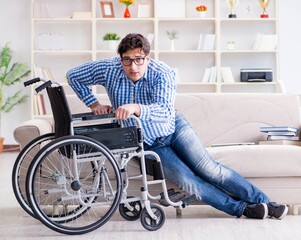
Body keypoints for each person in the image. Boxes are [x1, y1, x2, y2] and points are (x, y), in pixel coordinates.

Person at [66, 33, 288, 220]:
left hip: (173, 128)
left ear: (148, 58)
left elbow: (163, 111)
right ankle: (243, 209)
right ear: (120, 59)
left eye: (139, 59)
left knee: (210, 170)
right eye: (127, 60)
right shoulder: (109, 69)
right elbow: (73, 75)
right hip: (146, 141)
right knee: (188, 182)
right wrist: (93, 103)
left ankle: (266, 202)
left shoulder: (163, 73)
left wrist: (136, 108)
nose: (133, 66)